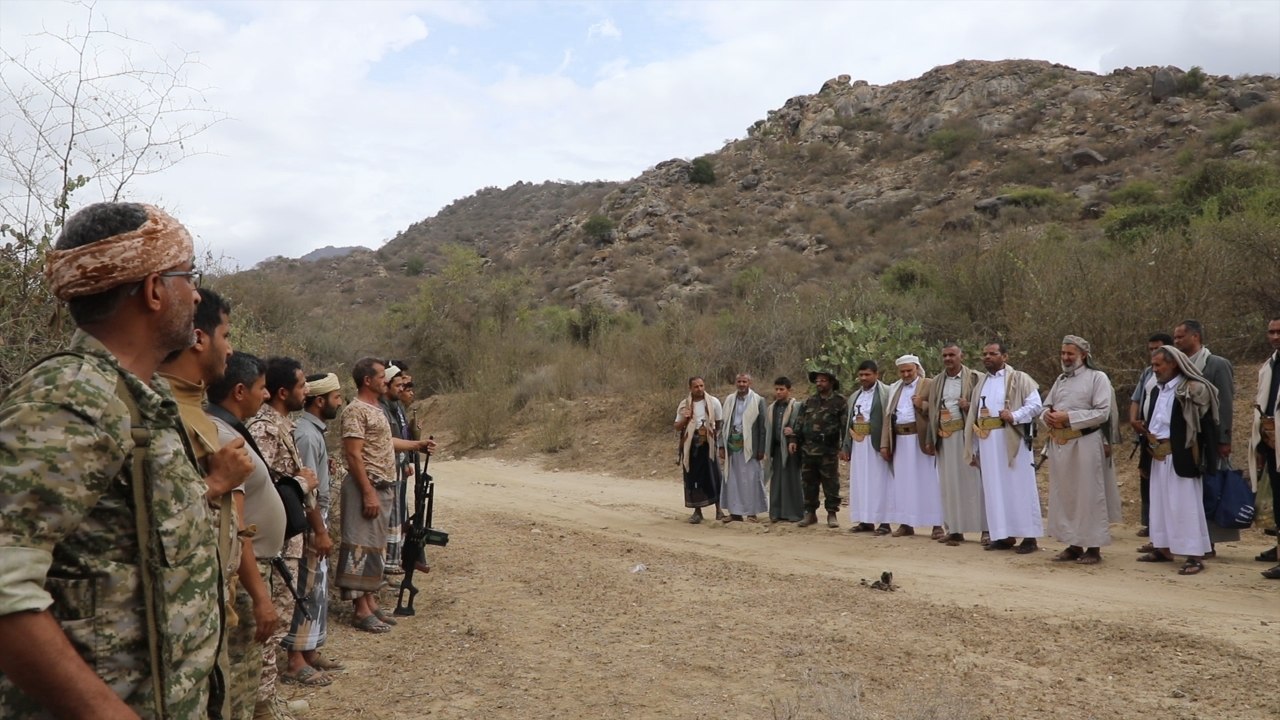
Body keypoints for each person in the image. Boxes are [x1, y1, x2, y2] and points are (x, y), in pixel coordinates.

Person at [0, 202, 228, 717]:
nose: (196, 295)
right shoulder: (72, 397)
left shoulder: (141, 398)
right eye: (187, 276)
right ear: (153, 291)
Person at [157, 287, 254, 719]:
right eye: (226, 336)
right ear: (199, 338)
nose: (230, 349)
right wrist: (215, 484)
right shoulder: (159, 409)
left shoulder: (193, 404)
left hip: (210, 613)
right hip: (176, 627)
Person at [207, 352, 288, 720]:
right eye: (261, 388)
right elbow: (236, 528)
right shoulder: (224, 438)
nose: (266, 395)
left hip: (253, 568)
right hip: (244, 575)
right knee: (240, 675)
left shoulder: (230, 429)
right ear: (240, 391)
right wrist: (260, 597)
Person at [246, 358, 328, 692]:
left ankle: (267, 697)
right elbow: (257, 482)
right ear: (283, 392)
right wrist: (301, 482)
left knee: (279, 617)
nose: (307, 391)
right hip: (273, 544)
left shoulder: (283, 426)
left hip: (287, 538)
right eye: (302, 385)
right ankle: (262, 699)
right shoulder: (264, 428)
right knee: (270, 622)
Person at [337, 358, 433, 632]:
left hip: (381, 487)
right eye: (381, 376)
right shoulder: (355, 411)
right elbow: (353, 454)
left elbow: (384, 441)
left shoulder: (376, 408)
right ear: (367, 380)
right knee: (359, 546)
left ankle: (370, 602)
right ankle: (360, 610)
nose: (386, 381)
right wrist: (367, 492)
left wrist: (417, 445)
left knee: (374, 547)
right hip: (365, 487)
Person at [1040, 336, 1123, 564]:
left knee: (1089, 496)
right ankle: (1073, 545)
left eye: (1070, 354)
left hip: (1086, 444)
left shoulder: (1097, 378)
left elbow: (1102, 412)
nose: (1066, 358)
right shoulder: (1061, 380)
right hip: (1061, 446)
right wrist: (1047, 416)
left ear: (1083, 355)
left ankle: (1094, 548)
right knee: (1067, 496)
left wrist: (1068, 417)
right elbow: (1045, 406)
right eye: (1063, 353)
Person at [1136, 346, 1218, 575]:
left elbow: (1205, 423)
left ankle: (1194, 555)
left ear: (1173, 364)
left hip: (1181, 455)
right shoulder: (1156, 390)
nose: (1154, 370)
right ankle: (1163, 548)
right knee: (1160, 504)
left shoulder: (1191, 389)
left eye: (1158, 365)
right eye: (1153, 365)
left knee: (1184, 506)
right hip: (1158, 454)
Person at [287, 374, 346, 674]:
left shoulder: (313, 432)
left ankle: (309, 650)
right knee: (306, 585)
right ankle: (295, 659)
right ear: (320, 401)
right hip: (310, 520)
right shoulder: (307, 435)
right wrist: (320, 530)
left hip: (316, 517)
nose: (340, 402)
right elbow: (307, 491)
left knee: (316, 585)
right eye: (336, 397)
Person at [966, 341, 1043, 554]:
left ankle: (1029, 537)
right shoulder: (981, 384)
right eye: (985, 354)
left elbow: (1036, 405)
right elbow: (974, 417)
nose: (987, 357)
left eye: (993, 353)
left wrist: (1015, 416)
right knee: (995, 489)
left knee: (1020, 487)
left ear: (1005, 356)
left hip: (1012, 441)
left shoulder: (1019, 378)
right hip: (987, 443)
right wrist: (973, 448)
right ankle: (1003, 535)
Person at [1172, 320, 1236, 556]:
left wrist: (1224, 439)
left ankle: (1209, 541)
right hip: (1186, 438)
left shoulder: (1217, 364)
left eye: (1180, 337)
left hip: (1209, 435)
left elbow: (1225, 402)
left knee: (1211, 487)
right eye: (1175, 337)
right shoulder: (1178, 366)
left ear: (1195, 336)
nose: (1176, 341)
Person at [925, 344, 986, 546]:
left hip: (967, 436)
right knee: (949, 484)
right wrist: (930, 439)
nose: (948, 359)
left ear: (962, 356)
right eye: (945, 355)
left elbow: (987, 405)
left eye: (952, 355)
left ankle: (986, 529)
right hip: (944, 437)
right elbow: (932, 411)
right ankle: (954, 529)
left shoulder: (975, 378)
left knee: (975, 482)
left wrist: (969, 406)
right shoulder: (937, 381)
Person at [880, 355, 942, 539]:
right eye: (903, 371)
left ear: (917, 368)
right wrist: (885, 444)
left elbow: (939, 410)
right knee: (903, 483)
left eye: (909, 370)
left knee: (929, 482)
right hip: (900, 439)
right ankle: (906, 523)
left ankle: (937, 524)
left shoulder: (929, 384)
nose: (906, 374)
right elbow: (888, 417)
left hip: (921, 440)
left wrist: (922, 404)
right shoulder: (895, 388)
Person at [1128, 333, 1174, 537]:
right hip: (1147, 434)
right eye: (1151, 349)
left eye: (1158, 348)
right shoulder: (1148, 372)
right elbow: (1137, 398)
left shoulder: (1176, 377)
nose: (1153, 352)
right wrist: (1133, 420)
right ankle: (1151, 524)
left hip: (1169, 440)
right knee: (1147, 477)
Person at [790, 369, 847, 528]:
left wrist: (844, 447)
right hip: (808, 449)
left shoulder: (840, 402)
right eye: (817, 381)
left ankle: (832, 513)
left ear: (831, 382)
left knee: (831, 483)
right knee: (808, 482)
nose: (819, 383)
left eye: (822, 380)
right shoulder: (809, 401)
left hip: (828, 450)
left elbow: (844, 426)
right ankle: (810, 513)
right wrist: (794, 439)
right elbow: (799, 422)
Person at [840, 361, 893, 534]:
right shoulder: (855, 396)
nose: (863, 378)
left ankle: (884, 522)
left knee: (880, 482)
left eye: (867, 374)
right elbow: (848, 422)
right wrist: (846, 446)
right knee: (860, 481)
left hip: (877, 443)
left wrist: (887, 443)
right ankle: (865, 520)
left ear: (876, 374)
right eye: (861, 375)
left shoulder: (886, 392)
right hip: (859, 443)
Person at [1250, 317, 1280, 578]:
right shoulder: (1268, 367)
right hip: (1271, 441)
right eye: (1271, 332)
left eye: (1279, 331)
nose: (1275, 336)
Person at [718, 373, 769, 522]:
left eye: (744, 381)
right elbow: (723, 424)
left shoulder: (758, 400)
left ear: (749, 383)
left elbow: (763, 427)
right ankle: (735, 513)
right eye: (739, 381)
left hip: (750, 447)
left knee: (751, 479)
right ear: (736, 383)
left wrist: (761, 449)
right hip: (732, 445)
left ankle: (751, 513)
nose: (741, 384)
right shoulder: (729, 400)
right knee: (733, 479)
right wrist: (721, 446)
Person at [674, 376, 724, 524]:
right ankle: (697, 512)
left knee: (713, 475)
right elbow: (677, 426)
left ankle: (719, 510)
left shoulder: (713, 402)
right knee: (693, 477)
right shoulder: (684, 405)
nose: (699, 389)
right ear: (690, 388)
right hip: (691, 445)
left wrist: (712, 436)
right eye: (696, 386)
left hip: (708, 444)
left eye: (701, 385)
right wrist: (686, 418)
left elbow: (719, 423)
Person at [380, 364, 409, 575]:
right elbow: (388, 441)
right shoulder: (381, 410)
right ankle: (388, 563)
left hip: (396, 468)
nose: (401, 389)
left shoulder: (394, 408)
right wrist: (417, 446)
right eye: (397, 385)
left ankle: (393, 560)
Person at [764, 377, 804, 523]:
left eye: (782, 389)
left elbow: (803, 426)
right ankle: (776, 512)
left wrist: (794, 432)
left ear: (789, 390)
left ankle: (794, 513)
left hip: (791, 449)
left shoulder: (798, 407)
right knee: (776, 481)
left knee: (792, 481)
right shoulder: (771, 408)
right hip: (775, 450)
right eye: (776, 389)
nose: (778, 392)